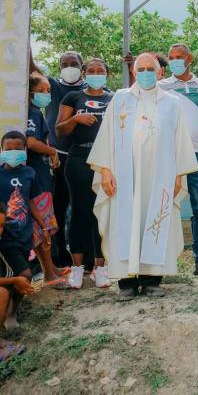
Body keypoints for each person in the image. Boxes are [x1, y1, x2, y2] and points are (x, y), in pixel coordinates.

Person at [88, 53, 198, 300]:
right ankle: (127, 282)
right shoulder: (119, 99)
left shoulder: (172, 102)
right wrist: (105, 169)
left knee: (155, 218)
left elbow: (179, 140)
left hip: (160, 175)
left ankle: (151, 279)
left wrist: (179, 176)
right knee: (125, 221)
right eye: (142, 69)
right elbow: (106, 135)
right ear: (134, 73)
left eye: (152, 68)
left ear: (160, 72)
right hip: (123, 176)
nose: (147, 73)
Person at [158, 43, 198, 277]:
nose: (175, 60)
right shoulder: (160, 86)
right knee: (162, 204)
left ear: (189, 59)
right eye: (171, 57)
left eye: (179, 57)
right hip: (168, 154)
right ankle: (160, 261)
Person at [56, 59, 113, 290]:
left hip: (107, 161)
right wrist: (75, 119)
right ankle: (78, 267)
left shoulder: (115, 98)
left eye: (100, 71)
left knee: (103, 213)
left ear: (107, 74)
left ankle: (100, 268)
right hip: (79, 158)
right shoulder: (73, 98)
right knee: (80, 212)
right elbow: (60, 130)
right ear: (84, 73)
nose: (96, 74)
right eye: (91, 71)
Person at [29, 51, 87, 269]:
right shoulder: (51, 86)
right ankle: (60, 256)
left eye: (74, 63)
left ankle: (89, 256)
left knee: (84, 209)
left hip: (85, 158)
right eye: (65, 64)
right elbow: (32, 69)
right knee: (59, 210)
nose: (69, 67)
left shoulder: (89, 89)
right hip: (58, 159)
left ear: (82, 67)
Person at [0, 131, 49, 287]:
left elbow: (30, 201)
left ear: (24, 150)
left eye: (18, 148)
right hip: (4, 235)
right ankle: (9, 308)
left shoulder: (30, 173)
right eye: (9, 149)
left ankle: (10, 306)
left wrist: (43, 227)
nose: (13, 152)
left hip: (25, 234)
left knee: (17, 276)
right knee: (25, 275)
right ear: (1, 151)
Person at [25, 74, 67, 289]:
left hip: (42, 178)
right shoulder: (32, 114)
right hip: (38, 183)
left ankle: (51, 268)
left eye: (48, 90)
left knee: (46, 228)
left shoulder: (36, 113)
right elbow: (31, 142)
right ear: (30, 92)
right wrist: (52, 151)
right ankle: (50, 274)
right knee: (44, 229)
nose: (46, 94)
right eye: (41, 90)